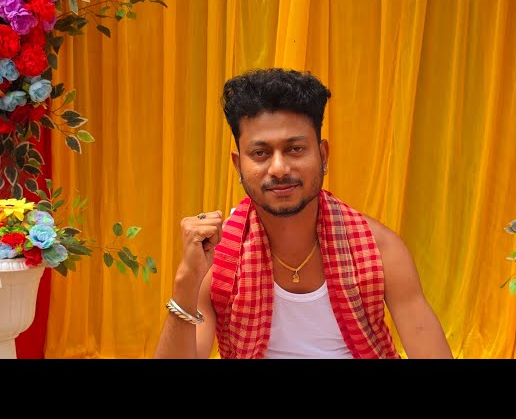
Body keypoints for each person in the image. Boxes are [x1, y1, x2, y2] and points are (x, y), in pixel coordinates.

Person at [153, 68, 452, 359]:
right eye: (260, 153)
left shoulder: (380, 249)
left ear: (323, 156)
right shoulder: (220, 258)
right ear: (238, 165)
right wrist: (186, 280)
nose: (279, 168)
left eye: (295, 149)